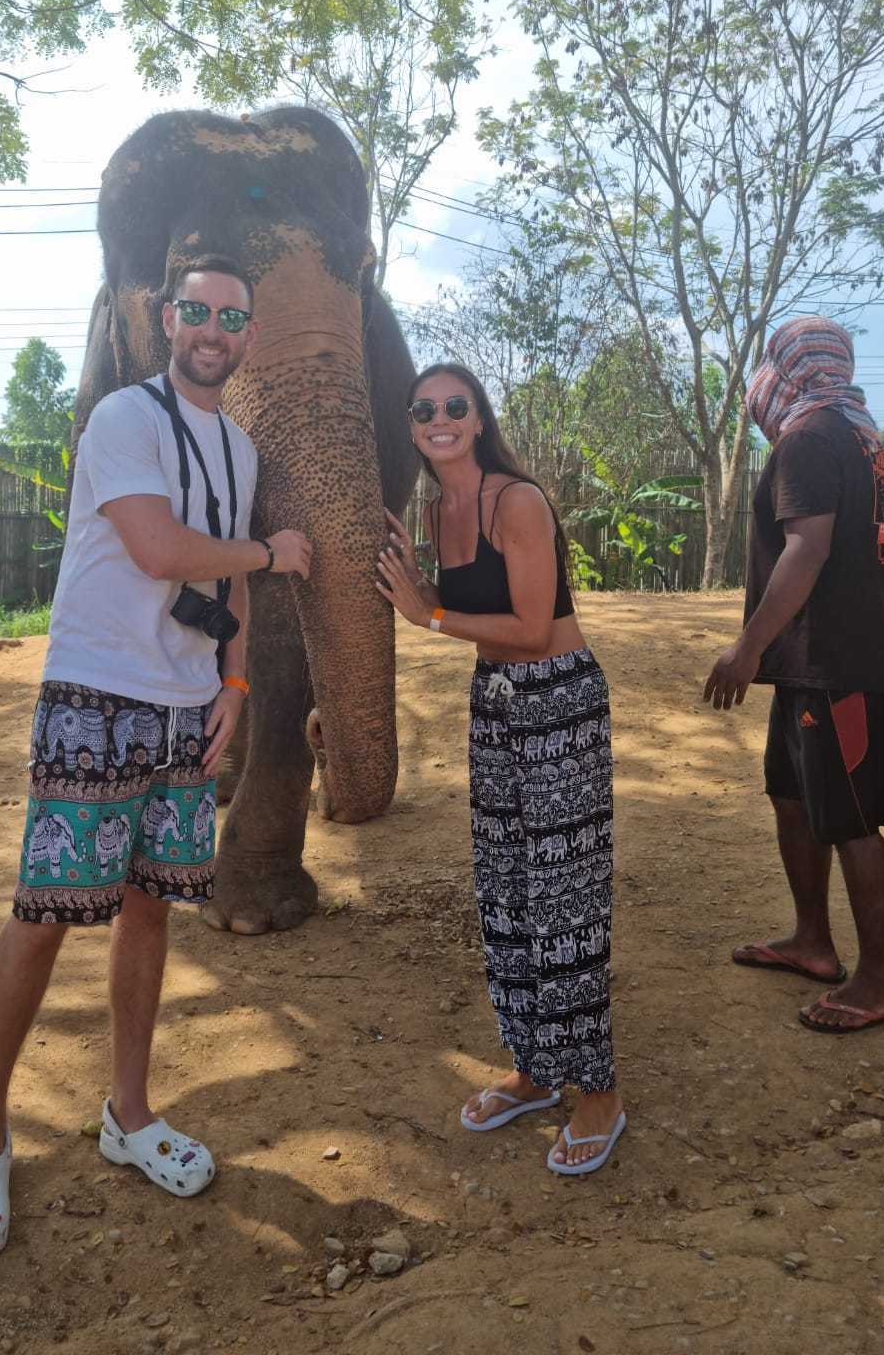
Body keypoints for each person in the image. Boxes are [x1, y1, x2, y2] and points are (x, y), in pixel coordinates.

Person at [0, 255, 312, 1257]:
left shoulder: (237, 445)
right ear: (165, 319)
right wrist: (273, 554)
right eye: (196, 309)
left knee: (150, 906)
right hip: (97, 699)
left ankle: (131, 1112)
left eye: (231, 316)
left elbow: (226, 582)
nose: (212, 328)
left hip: (187, 708)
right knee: (46, 911)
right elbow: (158, 548)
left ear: (246, 336)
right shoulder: (123, 420)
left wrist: (234, 683)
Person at [377, 363, 625, 1175]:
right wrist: (418, 592)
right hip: (496, 699)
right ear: (413, 426)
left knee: (566, 894)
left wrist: (429, 613)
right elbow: (486, 639)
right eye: (425, 410)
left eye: (457, 406)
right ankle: (532, 1067)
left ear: (479, 419)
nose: (440, 418)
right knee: (507, 888)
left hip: (558, 701)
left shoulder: (516, 500)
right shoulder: (439, 507)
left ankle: (599, 1092)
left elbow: (528, 624)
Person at [704, 315, 884, 1035]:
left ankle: (877, 979)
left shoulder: (810, 439)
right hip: (813, 662)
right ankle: (813, 943)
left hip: (838, 664)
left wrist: (747, 647)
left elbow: (807, 551)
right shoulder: (860, 436)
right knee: (794, 798)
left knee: (852, 822)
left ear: (788, 368)